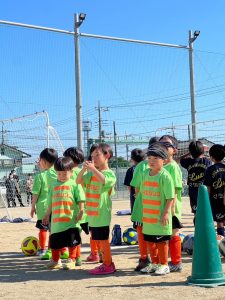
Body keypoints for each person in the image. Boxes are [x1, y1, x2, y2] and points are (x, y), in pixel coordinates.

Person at [76, 143, 117, 275]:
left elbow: (104, 180)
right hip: (93, 214)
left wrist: (93, 169)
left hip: (102, 214)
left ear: (107, 156)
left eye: (97, 155)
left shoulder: (109, 173)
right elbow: (78, 180)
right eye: (92, 156)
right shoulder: (91, 174)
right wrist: (84, 169)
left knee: (103, 241)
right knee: (99, 240)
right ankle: (106, 263)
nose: (94, 158)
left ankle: (108, 264)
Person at [42, 156, 86, 270]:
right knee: (55, 242)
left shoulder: (75, 184)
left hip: (71, 220)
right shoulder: (53, 185)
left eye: (64, 174)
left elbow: (80, 199)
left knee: (72, 241)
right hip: (56, 222)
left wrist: (81, 211)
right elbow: (50, 202)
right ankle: (55, 261)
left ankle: (72, 260)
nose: (61, 176)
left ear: (71, 172)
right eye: (59, 174)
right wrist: (47, 214)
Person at [139, 142, 174, 275]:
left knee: (161, 242)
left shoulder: (165, 176)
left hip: (160, 217)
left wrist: (166, 213)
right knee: (150, 241)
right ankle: (154, 263)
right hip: (148, 217)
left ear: (163, 160)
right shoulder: (145, 173)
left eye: (155, 159)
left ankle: (164, 264)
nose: (151, 161)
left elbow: (170, 197)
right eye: (149, 159)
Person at [130, 136, 159, 272]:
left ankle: (144, 259)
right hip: (156, 206)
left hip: (142, 206)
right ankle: (157, 260)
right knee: (154, 234)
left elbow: (136, 188)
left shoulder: (140, 166)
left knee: (142, 233)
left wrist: (138, 196)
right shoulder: (162, 165)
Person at [159, 135, 183, 272]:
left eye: (167, 144)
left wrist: (171, 210)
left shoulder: (173, 167)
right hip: (160, 206)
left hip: (171, 208)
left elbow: (174, 189)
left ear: (174, 150)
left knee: (174, 234)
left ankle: (177, 262)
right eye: (161, 143)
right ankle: (163, 262)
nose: (163, 146)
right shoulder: (159, 165)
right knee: (163, 235)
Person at [30, 148, 58, 257]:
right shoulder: (59, 173)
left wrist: (32, 207)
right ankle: (54, 250)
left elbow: (35, 193)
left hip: (43, 208)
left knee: (43, 229)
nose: (38, 162)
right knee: (54, 230)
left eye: (40, 160)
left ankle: (42, 250)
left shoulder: (40, 176)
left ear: (44, 161)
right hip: (55, 206)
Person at [63, 146, 86, 266]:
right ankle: (78, 257)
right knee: (77, 232)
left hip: (72, 207)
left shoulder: (71, 172)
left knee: (72, 233)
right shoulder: (83, 171)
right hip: (82, 206)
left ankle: (73, 257)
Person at [179, 140, 211, 221]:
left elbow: (180, 159)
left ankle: (197, 229)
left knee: (196, 212)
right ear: (202, 151)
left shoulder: (188, 161)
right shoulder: (206, 161)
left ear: (190, 151)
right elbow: (210, 159)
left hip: (193, 190)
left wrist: (189, 153)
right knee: (205, 210)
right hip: (204, 189)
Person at [204, 144, 225, 236]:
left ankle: (222, 243)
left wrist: (207, 200)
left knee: (219, 222)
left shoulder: (210, 169)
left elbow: (208, 187)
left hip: (215, 200)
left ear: (211, 157)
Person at [124, 148, 145, 213]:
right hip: (146, 194)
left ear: (132, 158)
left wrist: (132, 194)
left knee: (136, 213)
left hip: (134, 195)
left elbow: (129, 186)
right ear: (143, 158)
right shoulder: (148, 168)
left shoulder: (130, 170)